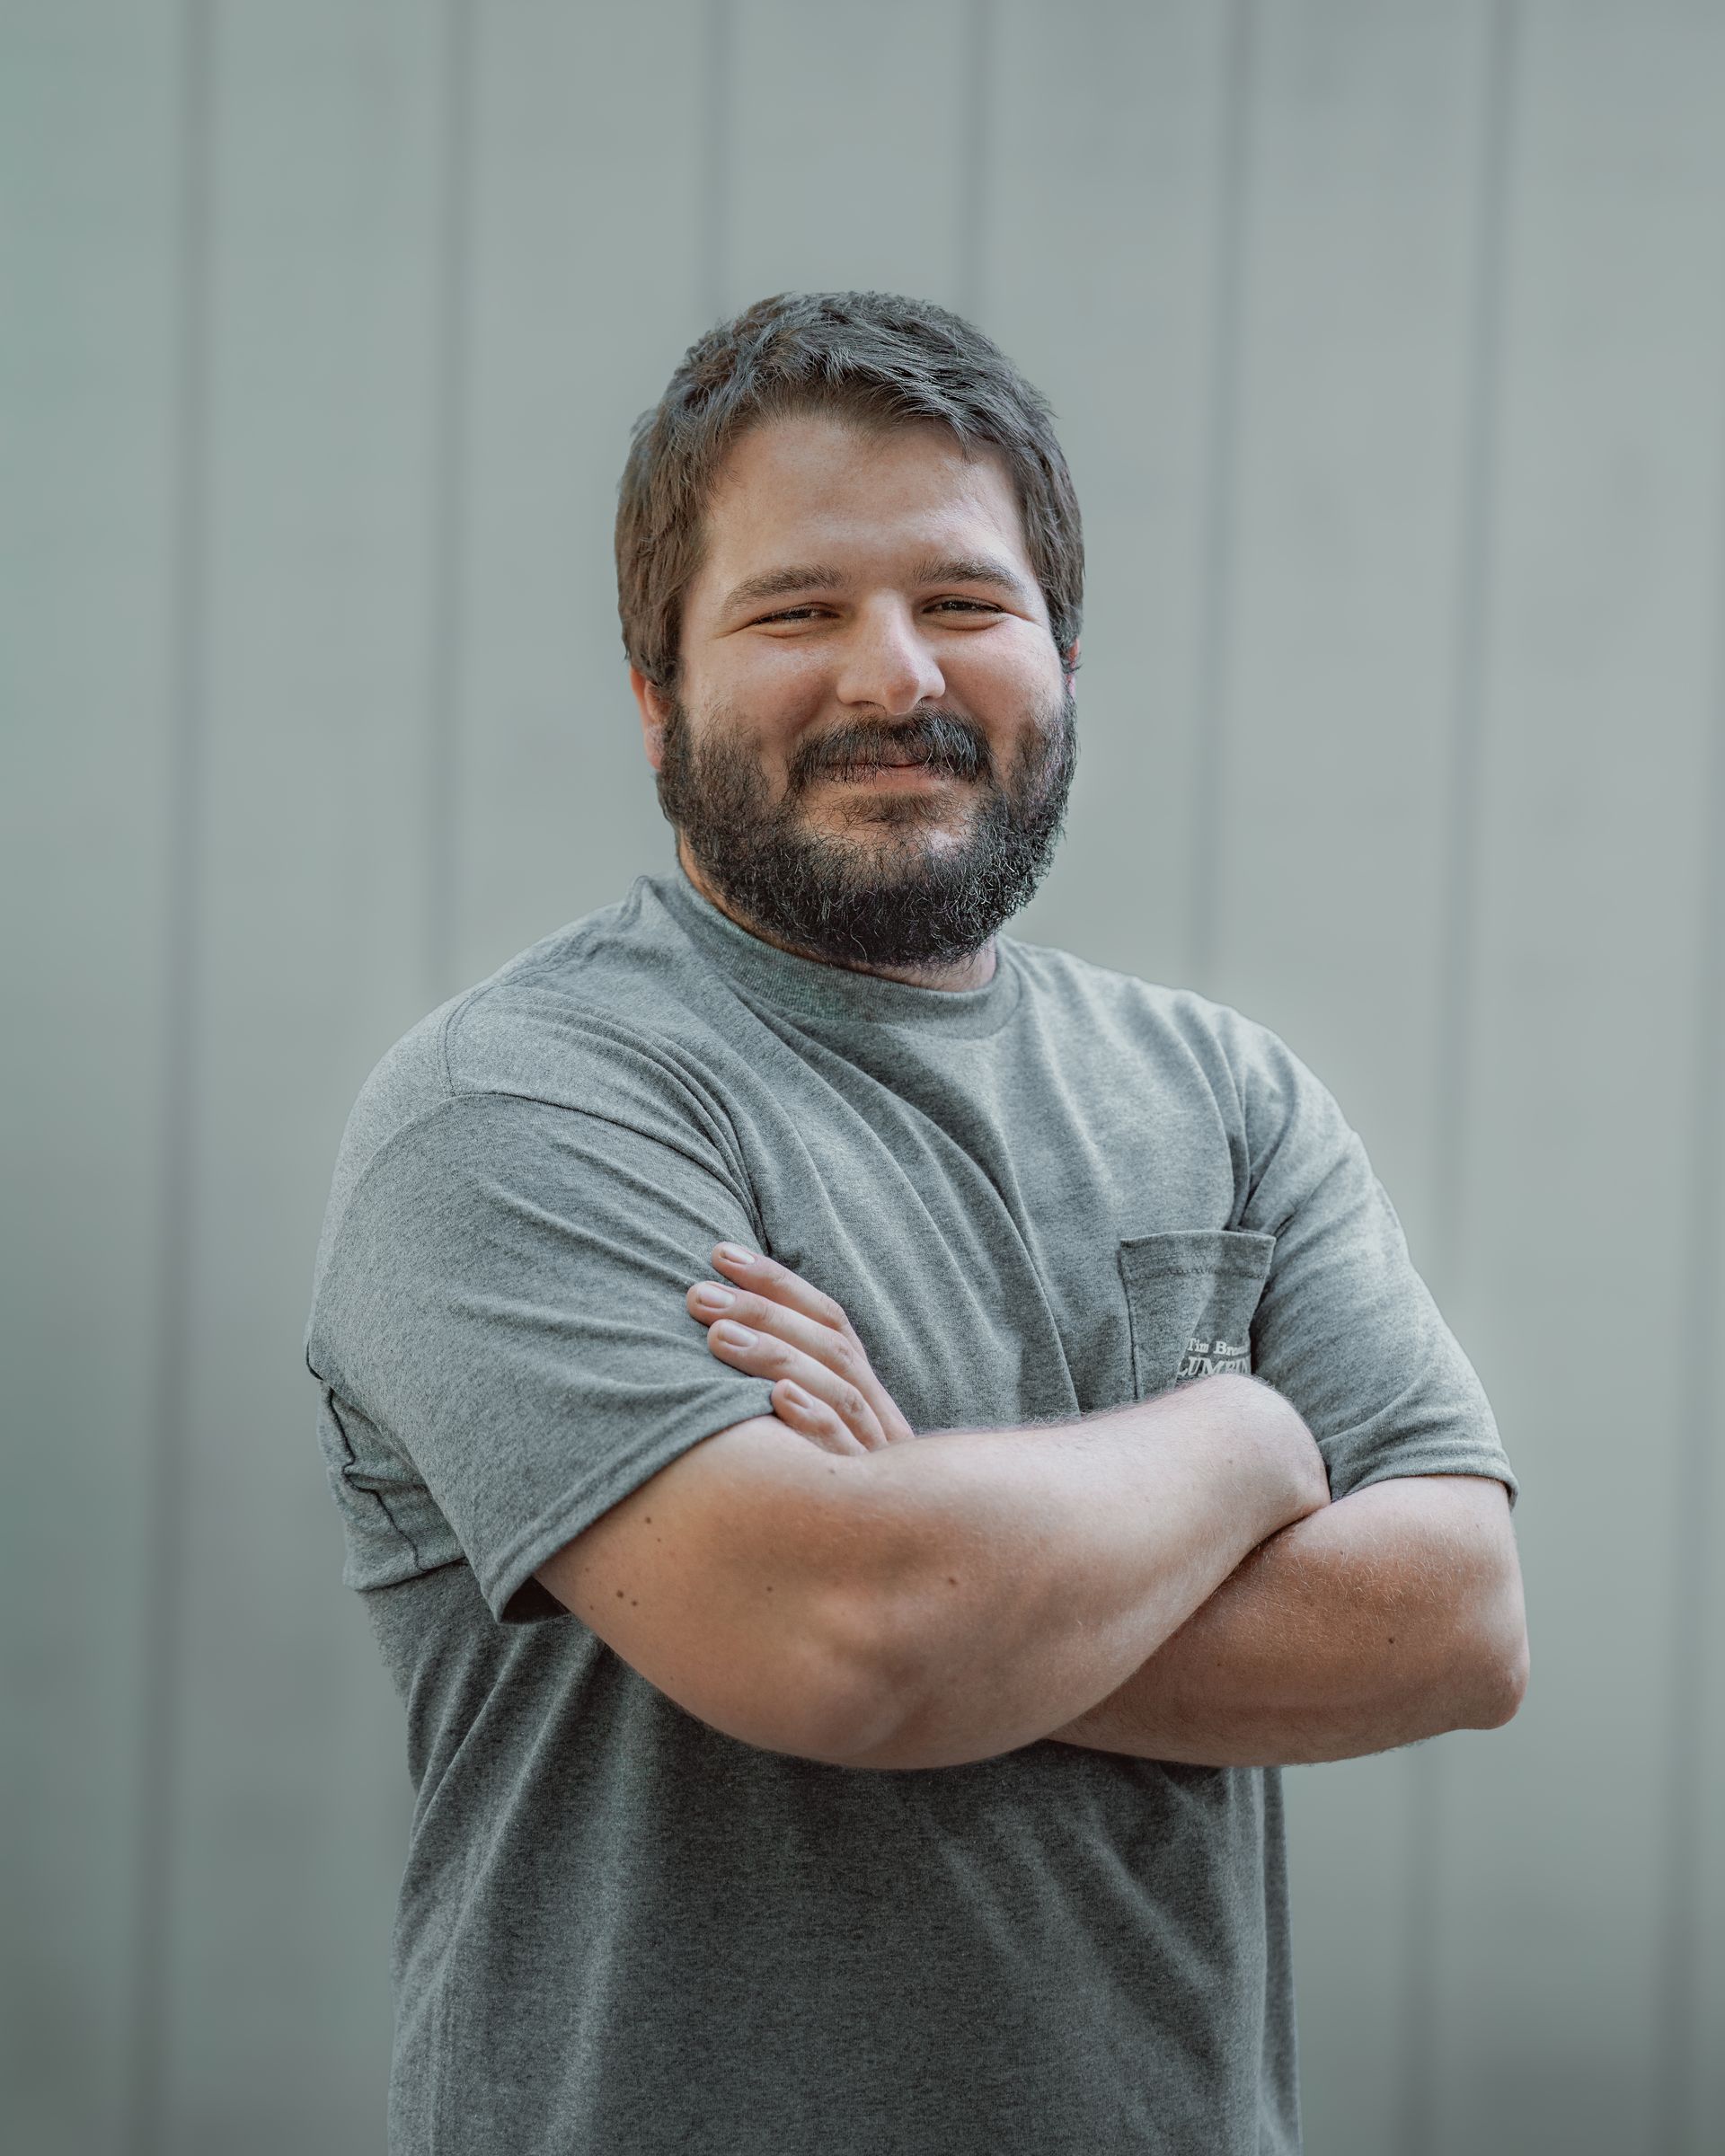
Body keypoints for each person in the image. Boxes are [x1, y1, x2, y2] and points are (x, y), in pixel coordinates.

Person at [305, 289, 1527, 2155]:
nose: (898, 678)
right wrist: (1245, 1436)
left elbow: (1454, 1621)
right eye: (799, 611)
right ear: (659, 697)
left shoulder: (1228, 1096)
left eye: (965, 605)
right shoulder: (522, 1105)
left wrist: (935, 1517)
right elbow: (848, 1641)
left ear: (1059, 657)